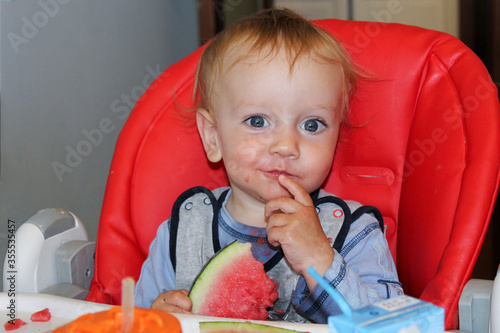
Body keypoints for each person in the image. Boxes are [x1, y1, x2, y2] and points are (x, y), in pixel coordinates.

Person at [135, 8, 403, 323]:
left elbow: (392, 326)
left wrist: (322, 260)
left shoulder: (354, 231)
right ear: (213, 137)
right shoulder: (181, 233)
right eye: (258, 121)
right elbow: (134, 318)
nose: (286, 146)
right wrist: (155, 318)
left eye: (312, 125)